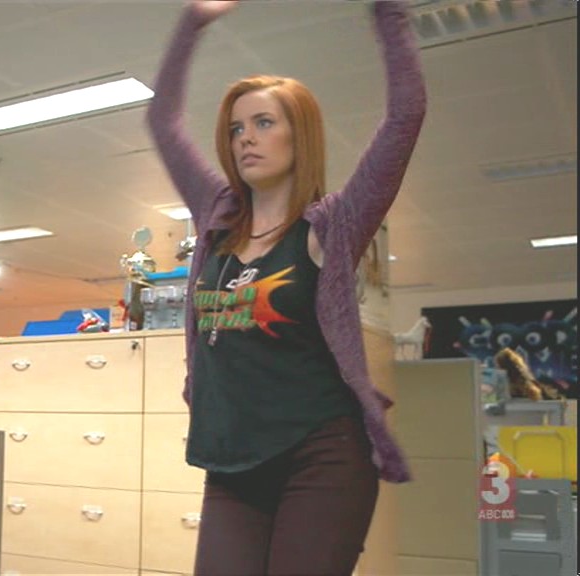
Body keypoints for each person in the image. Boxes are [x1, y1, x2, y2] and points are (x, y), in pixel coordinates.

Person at [145, 1, 426, 574]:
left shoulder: (333, 225)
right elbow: (162, 123)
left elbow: (405, 116)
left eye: (264, 123)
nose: (245, 139)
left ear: (301, 135)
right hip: (232, 459)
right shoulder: (217, 217)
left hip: (322, 456)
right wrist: (192, 21)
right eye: (236, 128)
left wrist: (387, 12)